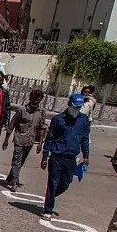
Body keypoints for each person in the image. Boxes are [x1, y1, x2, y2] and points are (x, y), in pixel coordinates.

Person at [41, 93, 90, 221]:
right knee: (53, 183)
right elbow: (49, 139)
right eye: (75, 107)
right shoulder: (58, 119)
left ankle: (49, 198)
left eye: (79, 107)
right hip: (57, 156)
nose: (76, 110)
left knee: (64, 184)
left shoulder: (83, 120)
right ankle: (48, 209)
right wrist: (45, 157)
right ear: (69, 105)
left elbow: (85, 138)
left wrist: (86, 155)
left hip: (71, 158)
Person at [1, 88, 46, 192]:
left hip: (30, 140)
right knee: (16, 160)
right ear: (30, 98)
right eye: (34, 99)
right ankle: (15, 181)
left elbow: (43, 127)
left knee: (21, 161)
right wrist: (6, 140)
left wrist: (40, 144)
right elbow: (12, 125)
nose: (36, 102)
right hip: (19, 138)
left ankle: (11, 177)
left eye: (38, 100)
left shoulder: (41, 111)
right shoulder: (22, 110)